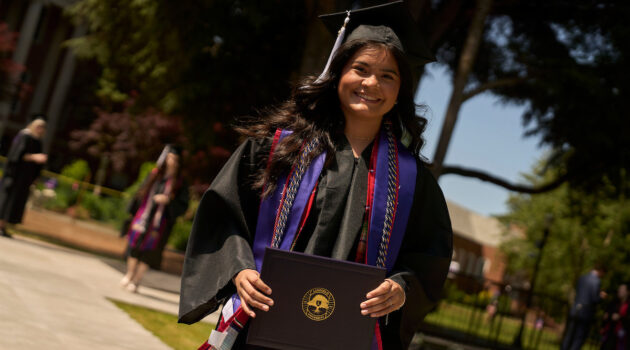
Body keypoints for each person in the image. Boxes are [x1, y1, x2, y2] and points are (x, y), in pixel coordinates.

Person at [178, 2, 453, 349]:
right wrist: (240, 270)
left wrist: (401, 287)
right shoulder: (276, 150)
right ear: (338, 73)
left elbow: (427, 257)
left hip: (347, 338)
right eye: (361, 69)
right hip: (263, 325)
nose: (372, 83)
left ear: (400, 93)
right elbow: (224, 217)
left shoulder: (412, 181)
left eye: (388, 76)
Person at [120, 145, 189, 292]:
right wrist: (132, 213)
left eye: (174, 159)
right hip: (143, 217)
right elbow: (140, 192)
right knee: (134, 246)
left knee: (150, 253)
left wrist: (168, 201)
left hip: (161, 224)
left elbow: (183, 205)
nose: (171, 161)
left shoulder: (180, 182)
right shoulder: (155, 174)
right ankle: (129, 274)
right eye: (169, 157)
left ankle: (136, 281)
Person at [0, 115, 48, 238]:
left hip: (24, 179)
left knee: (14, 203)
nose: (40, 129)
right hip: (14, 176)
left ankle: (3, 226)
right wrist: (34, 157)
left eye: (43, 127)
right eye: (38, 126)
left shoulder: (38, 141)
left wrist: (35, 177)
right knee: (6, 200)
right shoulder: (24, 136)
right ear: (33, 126)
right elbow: (16, 156)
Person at [562, 266, 607, 350]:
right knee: (579, 338)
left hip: (575, 310)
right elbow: (594, 298)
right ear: (601, 271)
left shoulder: (582, 278)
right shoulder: (597, 281)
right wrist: (601, 297)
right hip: (585, 313)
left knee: (569, 335)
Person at [601, 283, 629, 350]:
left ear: (628, 292)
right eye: (619, 289)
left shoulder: (628, 305)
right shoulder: (614, 302)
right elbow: (606, 315)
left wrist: (620, 317)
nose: (620, 291)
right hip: (610, 333)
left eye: (622, 289)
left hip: (622, 336)